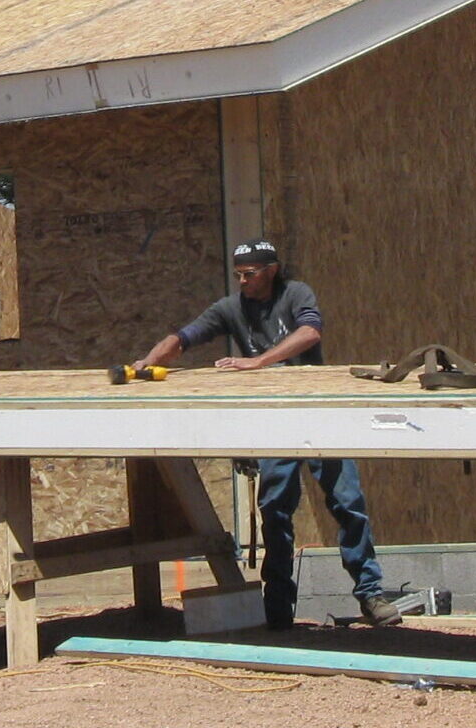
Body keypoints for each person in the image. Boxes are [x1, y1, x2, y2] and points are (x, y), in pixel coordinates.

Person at [126, 241, 402, 630]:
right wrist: (147, 362)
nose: (242, 281)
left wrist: (259, 361)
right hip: (274, 423)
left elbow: (310, 332)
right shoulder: (230, 308)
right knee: (275, 511)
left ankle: (370, 594)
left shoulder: (296, 294)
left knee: (347, 503)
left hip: (318, 414)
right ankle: (277, 606)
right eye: (238, 274)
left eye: (249, 274)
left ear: (271, 270)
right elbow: (183, 337)